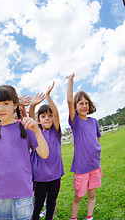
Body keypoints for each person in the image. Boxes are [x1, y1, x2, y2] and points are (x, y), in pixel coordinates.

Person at [0, 85, 49, 220]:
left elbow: (44, 154)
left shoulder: (27, 129)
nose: (1, 108)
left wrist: (37, 131)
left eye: (6, 103)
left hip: (21, 197)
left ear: (15, 105)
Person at [67, 73, 102, 220]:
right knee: (78, 196)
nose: (84, 106)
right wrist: (70, 80)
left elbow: (97, 138)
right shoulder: (75, 122)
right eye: (80, 103)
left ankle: (89, 217)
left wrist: (96, 152)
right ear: (75, 106)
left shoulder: (94, 121)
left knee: (92, 194)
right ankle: (73, 218)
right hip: (81, 168)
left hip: (95, 165)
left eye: (86, 103)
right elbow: (69, 100)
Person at [28, 82, 64, 220]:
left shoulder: (56, 132)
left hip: (55, 176)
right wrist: (32, 105)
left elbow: (56, 113)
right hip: (40, 177)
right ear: (38, 120)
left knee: (51, 203)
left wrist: (48, 96)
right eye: (43, 116)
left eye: (49, 116)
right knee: (37, 204)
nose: (47, 118)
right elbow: (30, 119)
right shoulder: (35, 133)